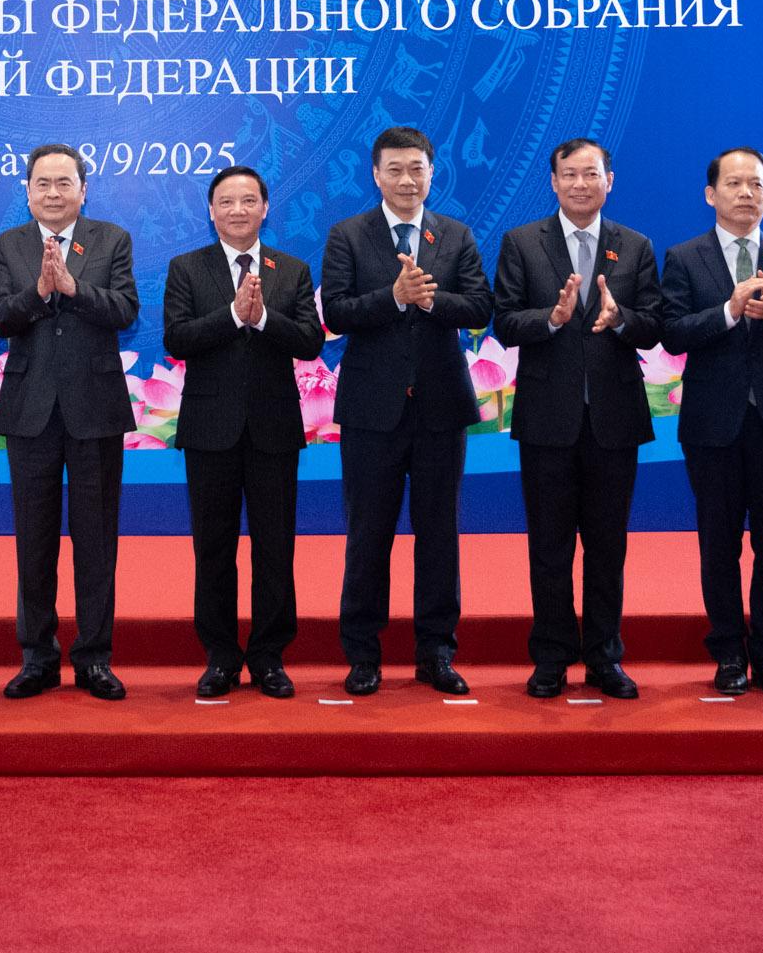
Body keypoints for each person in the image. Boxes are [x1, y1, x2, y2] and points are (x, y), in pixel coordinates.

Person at [319, 127, 491, 698]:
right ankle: (363, 655)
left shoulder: (456, 234)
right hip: (372, 411)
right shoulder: (348, 235)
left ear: (432, 173)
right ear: (376, 175)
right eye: (394, 169)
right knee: (368, 535)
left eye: (416, 168)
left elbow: (480, 306)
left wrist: (431, 299)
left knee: (439, 534)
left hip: (440, 409)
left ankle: (436, 652)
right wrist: (393, 297)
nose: (406, 179)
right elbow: (337, 313)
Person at [493, 138, 664, 700]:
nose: (580, 184)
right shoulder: (522, 243)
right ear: (553, 182)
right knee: (549, 547)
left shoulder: (635, 245)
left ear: (609, 181)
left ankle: (604, 658)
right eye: (569, 174)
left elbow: (655, 325)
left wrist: (621, 319)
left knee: (607, 547)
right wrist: (551, 318)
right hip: (548, 419)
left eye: (591, 174)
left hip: (614, 419)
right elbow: (504, 322)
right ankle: (550, 658)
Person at [660, 146, 763, 696]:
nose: (746, 193)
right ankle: (729, 651)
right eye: (734, 184)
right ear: (711, 194)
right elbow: (673, 334)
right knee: (719, 544)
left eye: (755, 184)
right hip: (713, 425)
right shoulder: (684, 258)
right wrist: (729, 312)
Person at [0, 143, 140, 701]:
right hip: (30, 410)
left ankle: (95, 658)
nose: (53, 193)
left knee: (96, 541)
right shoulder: (8, 245)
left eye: (63, 183)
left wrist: (75, 289)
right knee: (35, 541)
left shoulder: (111, 240)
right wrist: (39, 292)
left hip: (94, 408)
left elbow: (126, 310)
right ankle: (38, 657)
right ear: (27, 192)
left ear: (83, 189)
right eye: (42, 184)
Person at [162, 164, 323, 699]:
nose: (237, 210)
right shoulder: (187, 268)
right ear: (211, 211)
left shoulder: (291, 269)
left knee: (275, 548)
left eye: (248, 200)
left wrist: (263, 319)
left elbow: (309, 342)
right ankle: (221, 657)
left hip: (274, 429)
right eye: (227, 202)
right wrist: (233, 316)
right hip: (210, 430)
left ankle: (269, 657)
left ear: (265, 208)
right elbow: (177, 339)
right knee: (214, 549)